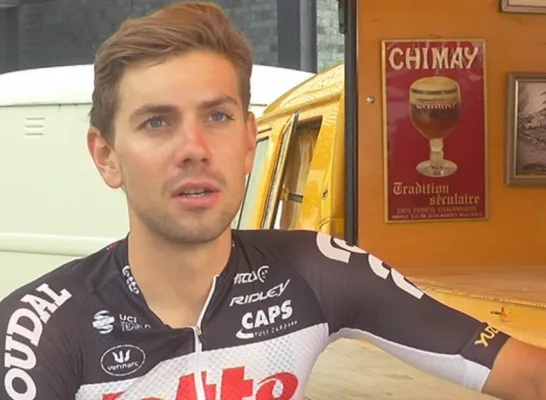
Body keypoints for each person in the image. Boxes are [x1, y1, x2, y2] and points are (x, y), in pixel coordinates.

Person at [1, 2, 545, 399]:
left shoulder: (315, 269)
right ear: (106, 156)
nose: (194, 148)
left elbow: (528, 374)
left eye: (217, 116)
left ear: (247, 142)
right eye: (157, 122)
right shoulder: (40, 329)